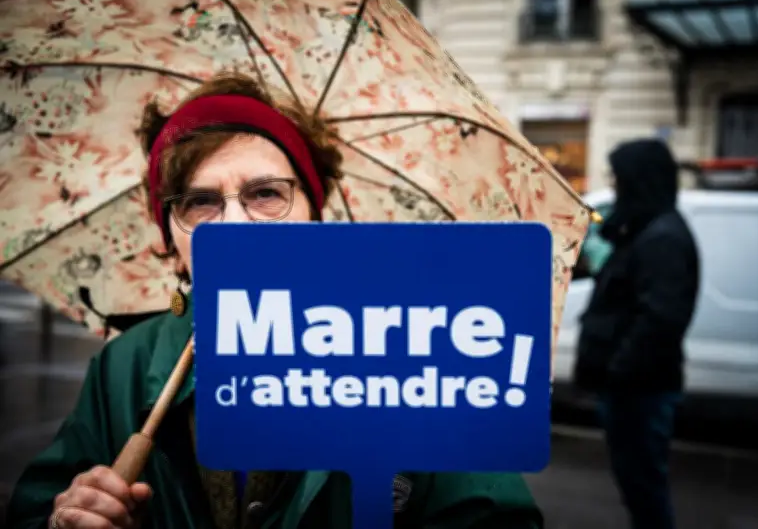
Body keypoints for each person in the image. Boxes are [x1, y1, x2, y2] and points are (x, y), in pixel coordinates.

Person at [5, 72, 544, 529]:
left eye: (266, 194)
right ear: (171, 239)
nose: (237, 225)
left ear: (315, 212)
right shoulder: (124, 368)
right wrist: (66, 517)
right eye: (201, 202)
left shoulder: (414, 345)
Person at [573, 139, 699, 529]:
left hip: (640, 391)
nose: (613, 185)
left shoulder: (662, 238)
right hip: (633, 387)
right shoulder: (643, 230)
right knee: (638, 486)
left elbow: (659, 320)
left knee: (644, 489)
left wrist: (617, 371)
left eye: (618, 177)